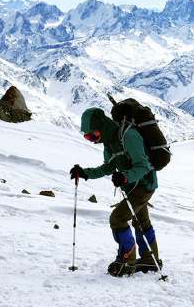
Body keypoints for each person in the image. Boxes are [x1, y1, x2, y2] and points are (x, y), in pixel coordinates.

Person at [69, 107, 161, 276]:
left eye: (93, 135)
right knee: (141, 221)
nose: (92, 140)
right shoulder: (109, 142)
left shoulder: (129, 137)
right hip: (132, 186)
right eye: (88, 137)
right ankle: (150, 259)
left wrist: (125, 177)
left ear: (103, 127)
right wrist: (85, 173)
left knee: (118, 219)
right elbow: (108, 166)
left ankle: (127, 262)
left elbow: (144, 166)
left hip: (144, 185)